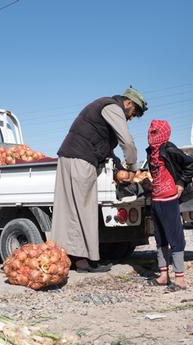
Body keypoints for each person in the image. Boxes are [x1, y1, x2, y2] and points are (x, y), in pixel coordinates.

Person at [51, 87, 147, 273]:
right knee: (85, 209)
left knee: (70, 211)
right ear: (128, 103)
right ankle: (87, 263)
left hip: (69, 156)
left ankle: (65, 257)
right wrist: (133, 168)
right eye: (134, 113)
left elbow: (104, 147)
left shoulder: (103, 106)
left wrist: (118, 166)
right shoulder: (113, 108)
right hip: (80, 159)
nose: (132, 118)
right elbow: (126, 141)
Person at [145, 119, 193, 291]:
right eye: (150, 132)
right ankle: (163, 275)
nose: (151, 136)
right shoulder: (151, 152)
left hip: (169, 200)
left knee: (175, 238)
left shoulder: (169, 148)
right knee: (160, 239)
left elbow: (191, 164)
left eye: (154, 132)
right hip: (156, 199)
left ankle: (180, 279)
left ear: (163, 133)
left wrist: (181, 183)